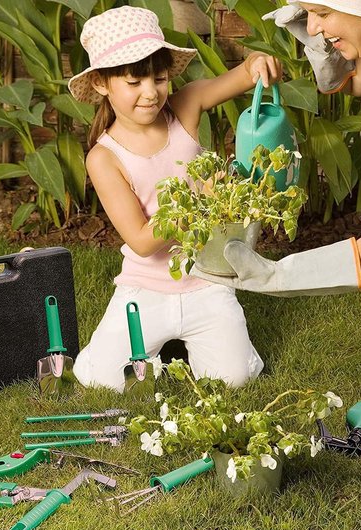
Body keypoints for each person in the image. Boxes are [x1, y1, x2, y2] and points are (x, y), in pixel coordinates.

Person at [193, 0, 361, 429]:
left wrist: (281, 275)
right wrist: (317, 34)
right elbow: (347, 82)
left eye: (319, 12)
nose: (311, 25)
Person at [67, 6, 283, 392]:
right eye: (134, 82)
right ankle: (160, 348)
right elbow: (141, 240)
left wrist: (258, 63)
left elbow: (244, 75)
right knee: (100, 379)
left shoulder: (185, 108)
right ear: (101, 83)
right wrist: (194, 198)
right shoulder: (105, 157)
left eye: (160, 78)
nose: (151, 93)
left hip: (206, 279)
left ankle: (187, 344)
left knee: (234, 379)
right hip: (145, 287)